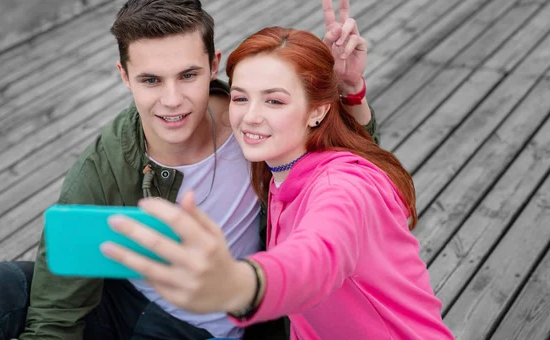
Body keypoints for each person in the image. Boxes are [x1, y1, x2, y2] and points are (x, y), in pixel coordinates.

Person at [0, 0, 379, 340]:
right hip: (122, 303)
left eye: (188, 76)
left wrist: (347, 90)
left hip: (213, 326)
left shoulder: (254, 122)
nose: (172, 101)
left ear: (213, 65)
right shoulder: (107, 160)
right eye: (151, 80)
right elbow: (56, 308)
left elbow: (346, 167)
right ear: (124, 76)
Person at [101, 27, 455, 339]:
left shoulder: (343, 186)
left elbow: (316, 258)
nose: (251, 116)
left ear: (318, 110)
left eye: (274, 100)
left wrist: (239, 286)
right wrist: (353, 93)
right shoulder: (279, 170)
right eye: (241, 97)